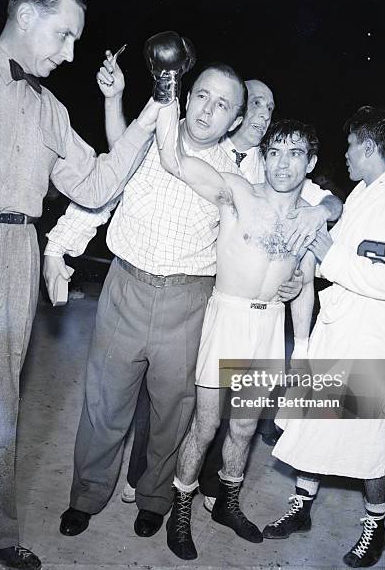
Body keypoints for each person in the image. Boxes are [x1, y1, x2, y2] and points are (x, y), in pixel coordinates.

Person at [0, 0, 161, 570]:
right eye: (63, 35)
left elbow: (98, 184)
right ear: (25, 15)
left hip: (13, 252)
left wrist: (153, 112)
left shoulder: (52, 110)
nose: (68, 53)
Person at [44, 61, 253, 539]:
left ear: (236, 122)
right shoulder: (143, 139)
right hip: (125, 288)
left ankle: (156, 498)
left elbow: (257, 235)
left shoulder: (236, 179)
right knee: (104, 405)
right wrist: (58, 248)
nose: (208, 110)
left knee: (173, 410)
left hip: (190, 299)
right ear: (185, 92)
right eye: (201, 95)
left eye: (223, 105)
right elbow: (99, 196)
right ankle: (87, 496)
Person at [121, 76, 340, 507]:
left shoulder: (310, 216)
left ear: (310, 163)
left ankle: (228, 504)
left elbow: (308, 278)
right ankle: (180, 512)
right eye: (275, 153)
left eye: (295, 155)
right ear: (265, 155)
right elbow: (174, 159)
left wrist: (304, 348)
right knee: (204, 425)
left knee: (243, 427)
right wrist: (167, 91)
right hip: (227, 315)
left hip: (270, 327)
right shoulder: (239, 187)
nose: (282, 164)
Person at [267, 106, 385, 568]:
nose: (343, 154)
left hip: (377, 337)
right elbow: (333, 259)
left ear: (367, 147)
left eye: (349, 146)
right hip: (336, 328)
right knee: (312, 424)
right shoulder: (361, 195)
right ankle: (301, 508)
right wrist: (306, 276)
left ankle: (374, 527)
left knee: (370, 439)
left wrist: (328, 256)